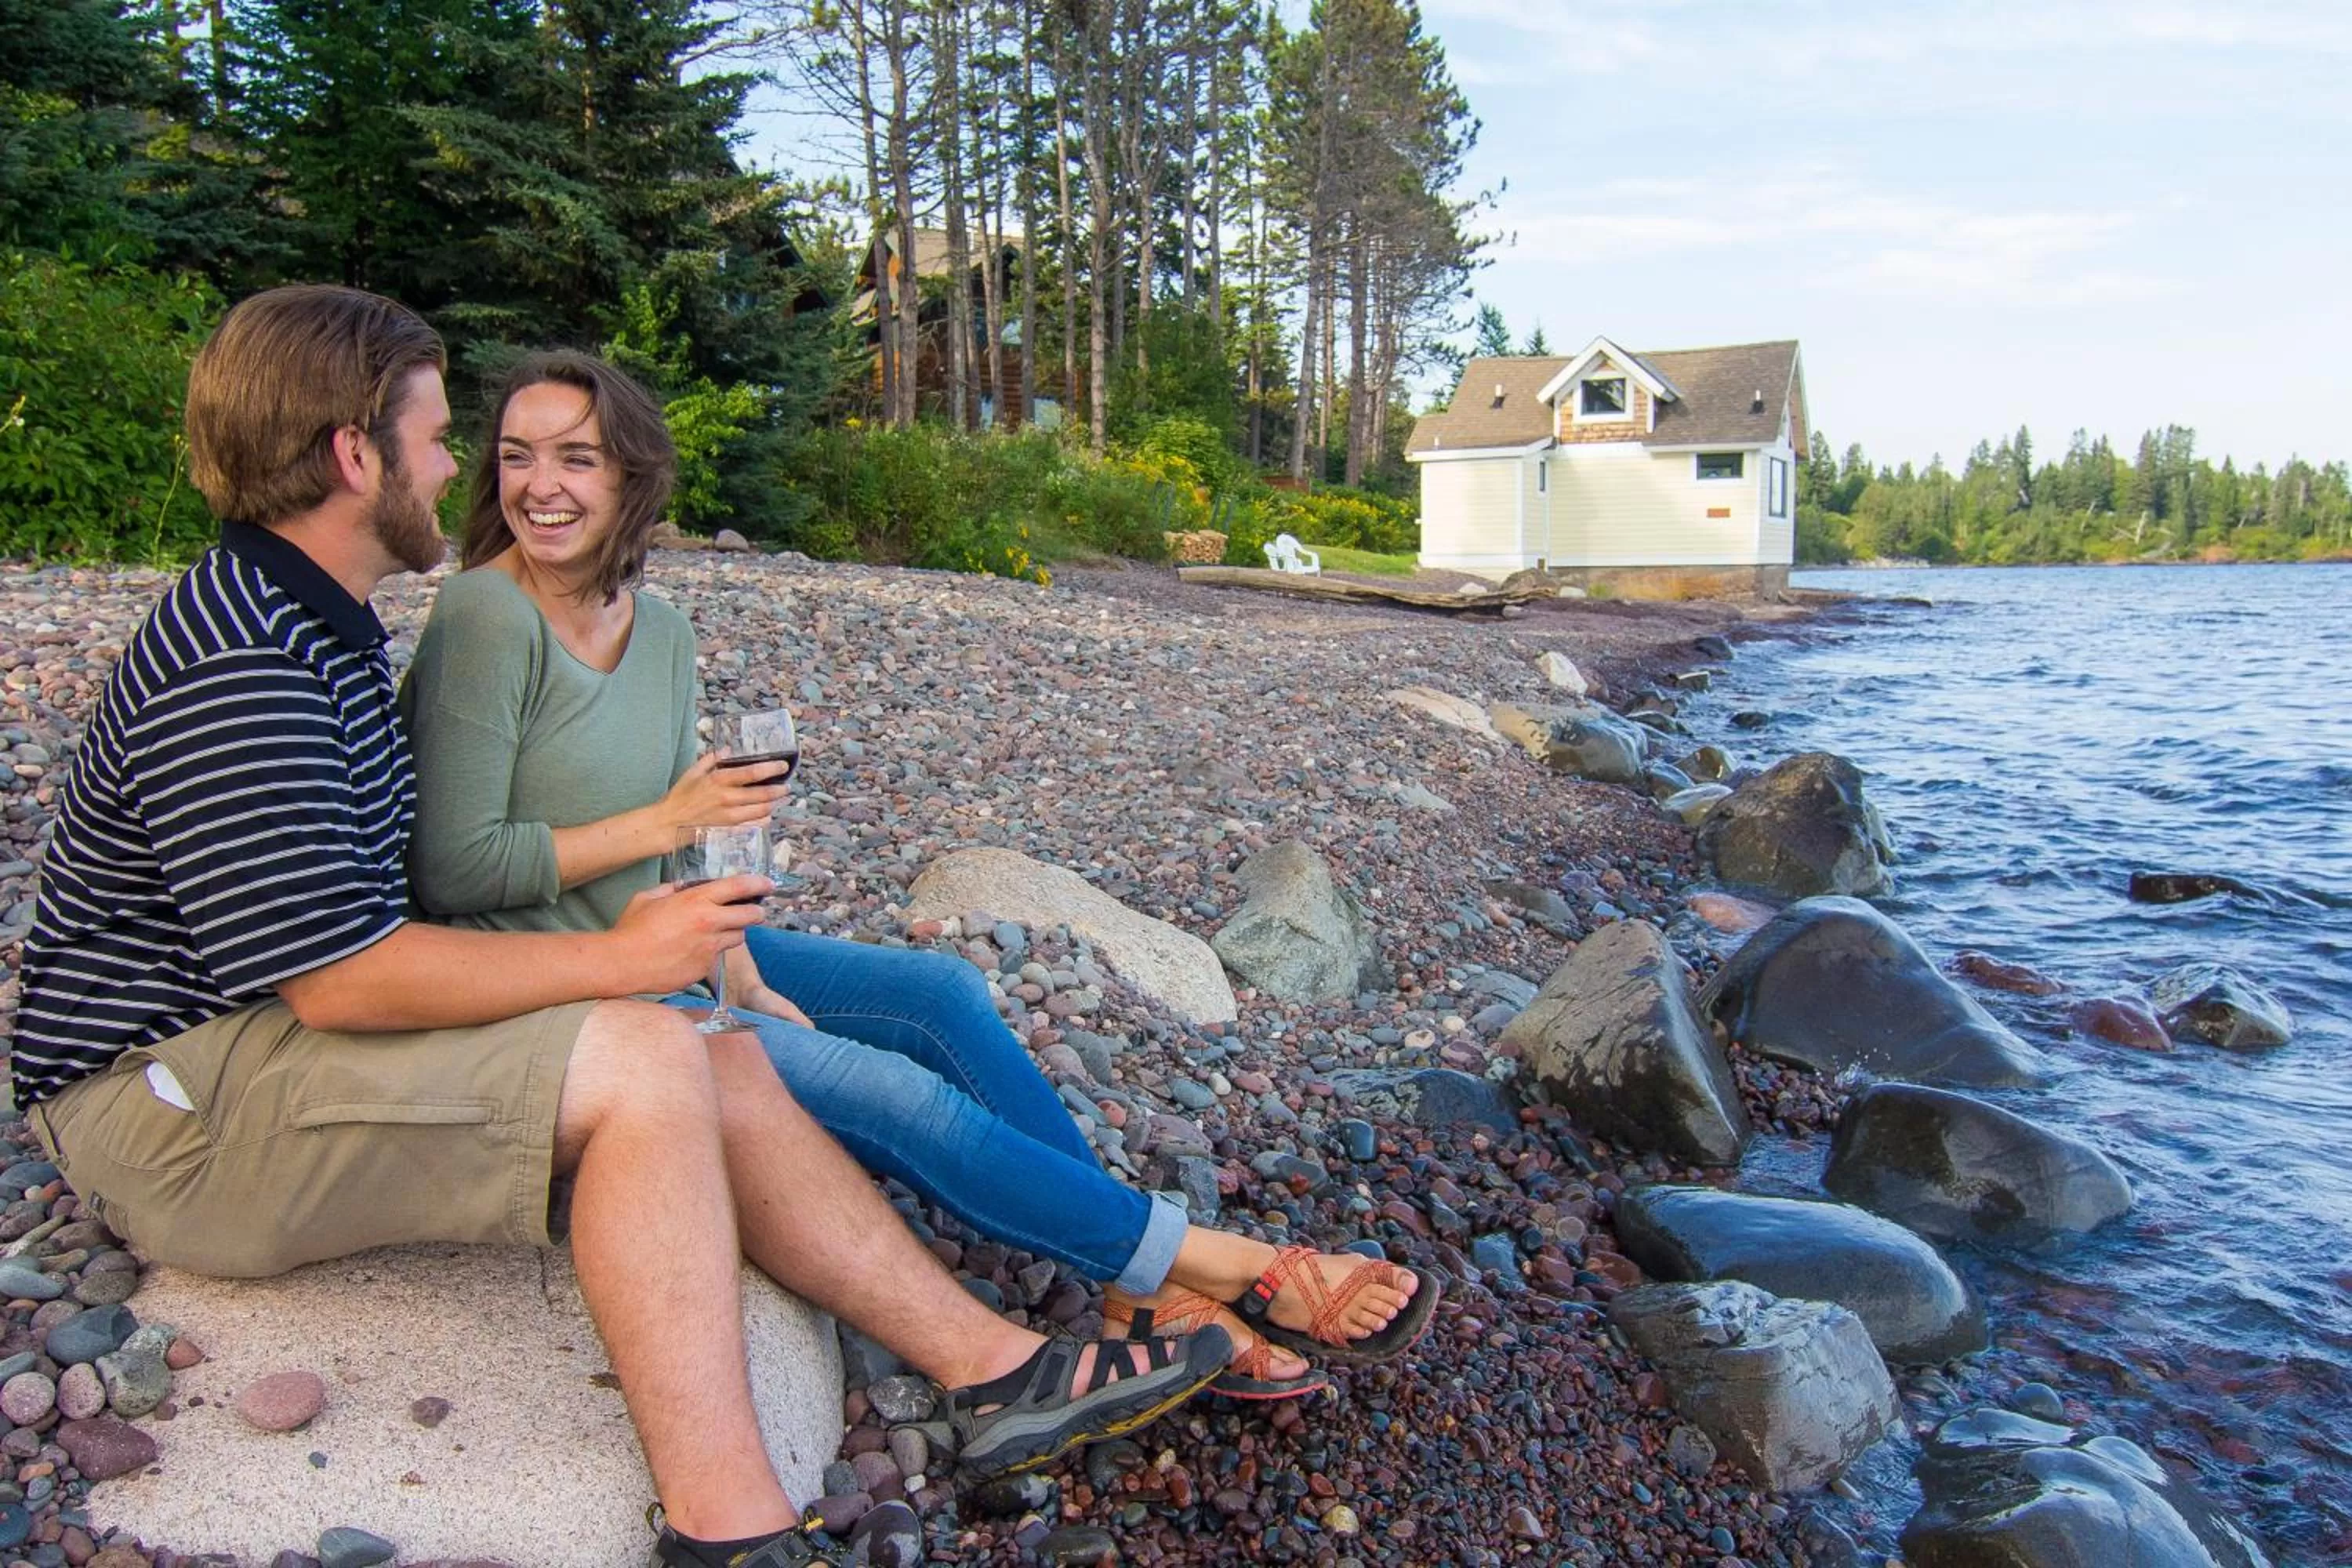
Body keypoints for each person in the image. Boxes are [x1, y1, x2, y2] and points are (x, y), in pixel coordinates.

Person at [8, 287, 1234, 1568]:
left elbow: (357, 936)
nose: (452, 469)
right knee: (651, 1047)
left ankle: (996, 1372)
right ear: (353, 455)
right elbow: (340, 981)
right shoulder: (245, 661)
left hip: (261, 1040)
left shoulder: (321, 622)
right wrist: (621, 960)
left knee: (721, 1048)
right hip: (173, 1103)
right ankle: (732, 1529)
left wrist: (696, 965)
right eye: (438, 440)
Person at [400, 352, 1441, 1399]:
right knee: (891, 1090)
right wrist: (666, 820)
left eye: (576, 458)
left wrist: (747, 981)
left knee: (938, 991)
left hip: (672, 951)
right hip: (555, 986)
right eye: (517, 457)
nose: (541, 485)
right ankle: (1221, 1264)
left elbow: (682, 855)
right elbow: (450, 868)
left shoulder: (660, 630)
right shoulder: (486, 618)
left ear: (630, 473)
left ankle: (1134, 1280)